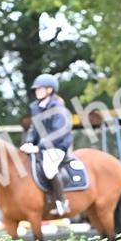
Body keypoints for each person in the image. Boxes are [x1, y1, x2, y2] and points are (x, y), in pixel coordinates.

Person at [20, 73, 73, 217]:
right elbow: (34, 129)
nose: (36, 91)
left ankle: (62, 202)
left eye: (40, 89)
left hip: (58, 145)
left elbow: (58, 133)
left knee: (49, 168)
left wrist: (39, 146)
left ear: (49, 90)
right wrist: (28, 143)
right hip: (42, 146)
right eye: (36, 89)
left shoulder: (58, 108)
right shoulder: (37, 107)